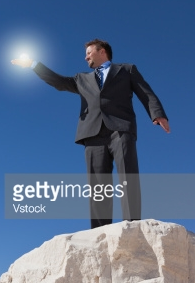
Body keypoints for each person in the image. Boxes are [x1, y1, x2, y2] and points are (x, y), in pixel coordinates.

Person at [11, 39, 169, 229]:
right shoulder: (81, 79)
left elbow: (146, 92)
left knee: (128, 175)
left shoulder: (127, 70)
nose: (85, 57)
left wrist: (157, 113)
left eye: (88, 53)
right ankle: (100, 231)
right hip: (92, 134)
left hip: (121, 129)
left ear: (102, 51)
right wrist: (33, 64)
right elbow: (59, 82)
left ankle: (133, 225)